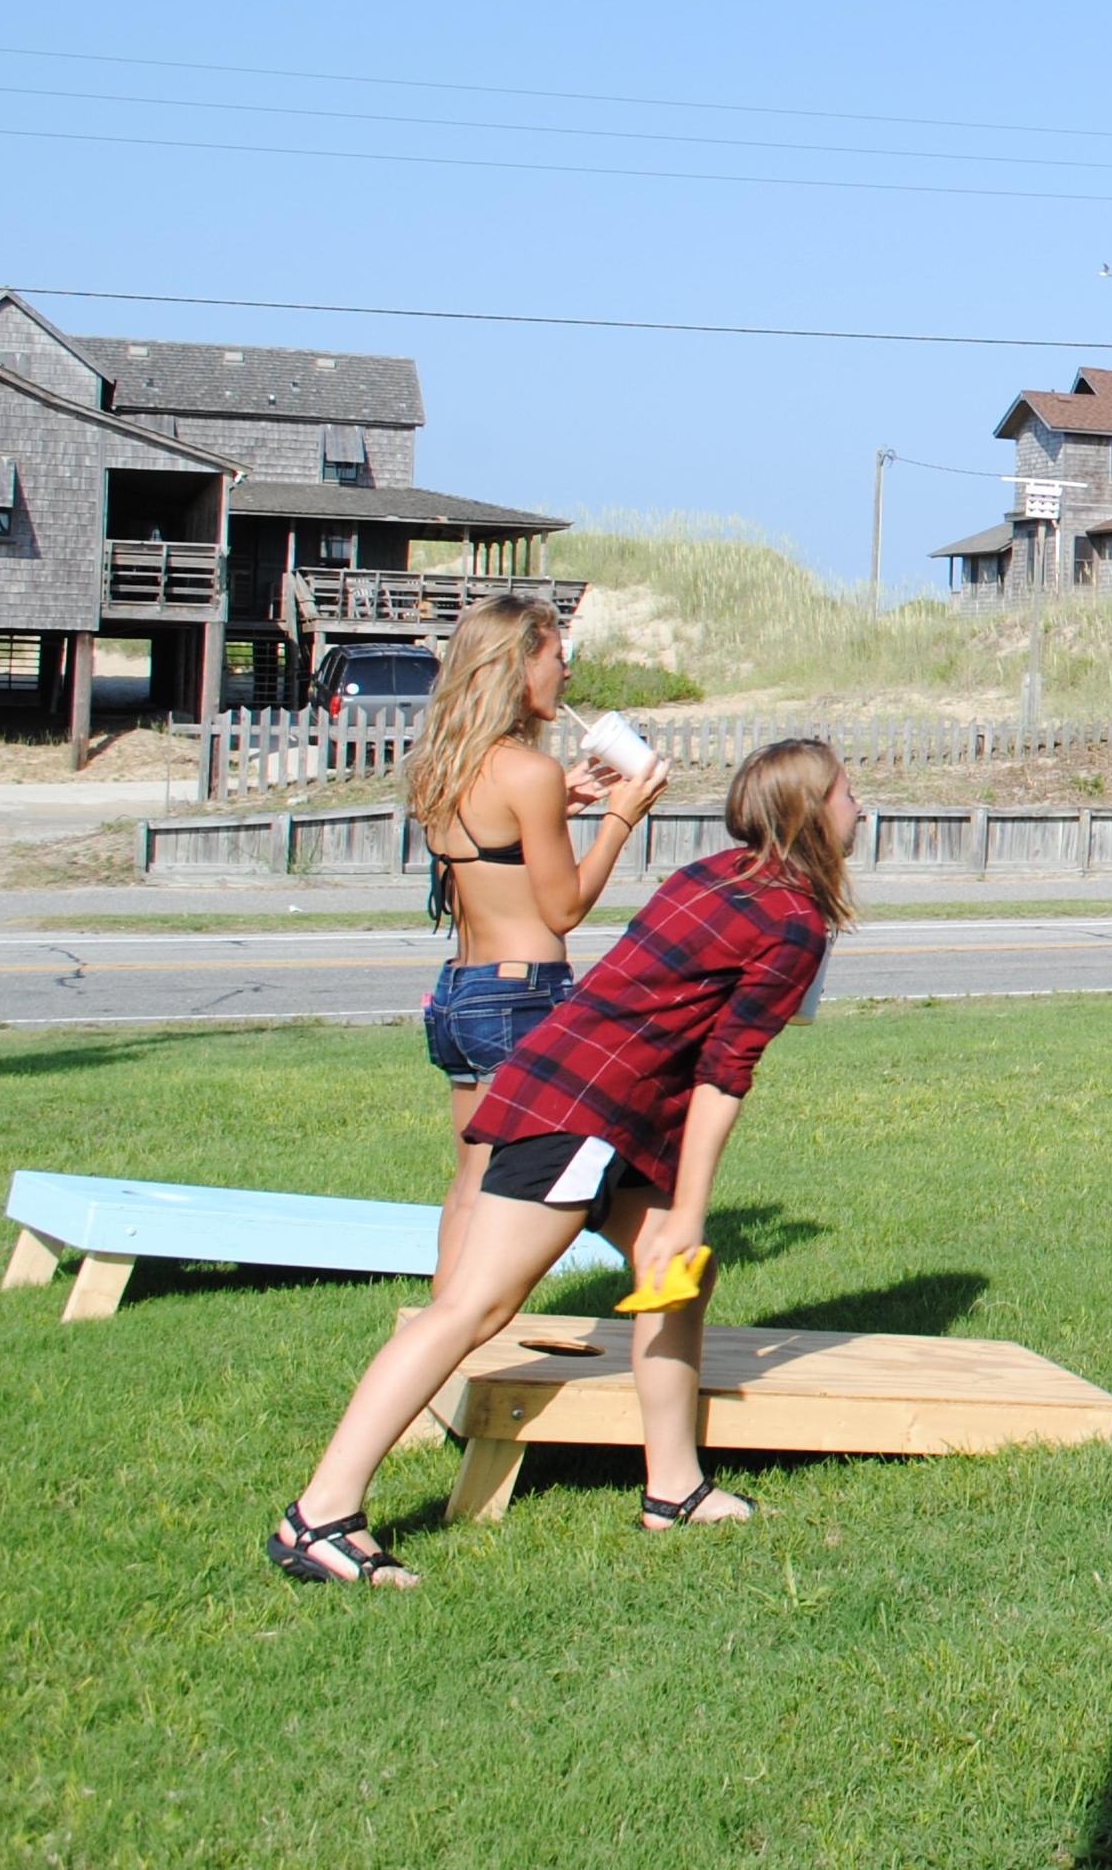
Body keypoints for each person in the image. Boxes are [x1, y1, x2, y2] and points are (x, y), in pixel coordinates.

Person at [266, 739, 858, 1587]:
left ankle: (674, 1489)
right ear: (810, 815)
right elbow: (726, 1072)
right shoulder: (790, 919)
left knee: (679, 1272)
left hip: (598, 1106)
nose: (859, 807)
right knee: (475, 1307)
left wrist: (676, 1223)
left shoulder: (719, 874)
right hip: (580, 1115)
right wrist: (688, 1207)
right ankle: (319, 1514)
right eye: (846, 793)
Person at [402, 595, 671, 1293]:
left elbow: (495, 853)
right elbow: (564, 906)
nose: (568, 674)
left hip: (461, 997)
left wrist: (567, 801)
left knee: (470, 1177)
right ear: (519, 665)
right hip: (522, 997)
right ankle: (467, 1327)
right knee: (592, 1157)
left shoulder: (443, 763)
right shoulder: (530, 772)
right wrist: (620, 815)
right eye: (558, 657)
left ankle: (442, 1328)